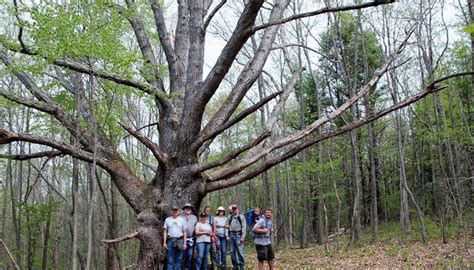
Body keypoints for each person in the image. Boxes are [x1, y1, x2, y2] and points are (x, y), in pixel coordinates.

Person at [163, 206, 187, 270]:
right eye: (174, 210)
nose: (175, 212)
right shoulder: (167, 220)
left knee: (179, 258)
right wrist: (164, 242)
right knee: (170, 258)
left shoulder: (182, 220)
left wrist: (185, 243)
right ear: (171, 211)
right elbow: (165, 231)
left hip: (180, 240)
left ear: (178, 211)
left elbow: (184, 232)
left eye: (176, 210)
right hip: (170, 240)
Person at [226, 204, 246, 270]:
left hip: (239, 235)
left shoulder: (241, 216)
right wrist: (227, 235)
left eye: (235, 208)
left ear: (237, 209)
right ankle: (235, 267)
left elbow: (244, 227)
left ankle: (241, 267)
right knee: (232, 252)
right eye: (233, 209)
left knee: (240, 252)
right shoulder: (229, 217)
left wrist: (243, 237)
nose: (234, 210)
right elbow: (226, 226)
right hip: (231, 235)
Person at [181, 203, 197, 270]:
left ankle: (187, 268)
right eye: (186, 207)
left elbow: (196, 227)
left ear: (191, 209)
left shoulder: (194, 217)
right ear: (184, 209)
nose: (188, 209)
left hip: (190, 239)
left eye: (189, 208)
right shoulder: (180, 217)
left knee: (189, 255)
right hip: (181, 239)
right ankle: (181, 268)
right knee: (181, 255)